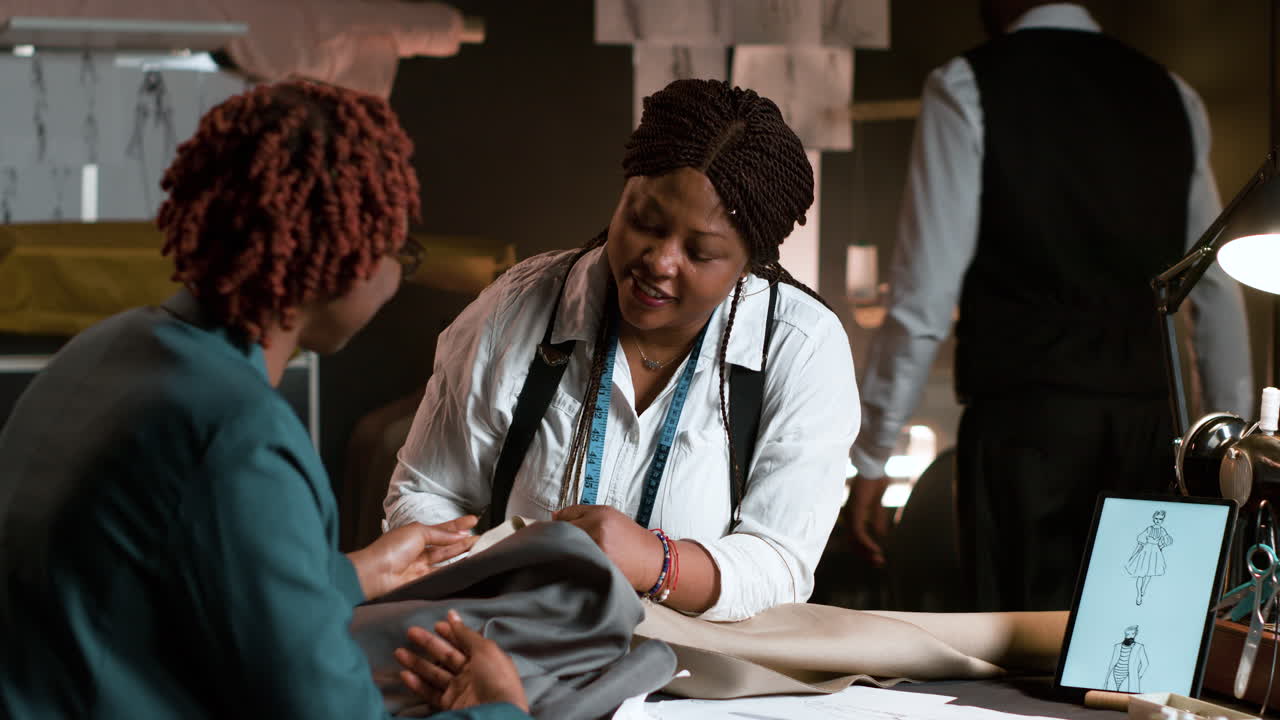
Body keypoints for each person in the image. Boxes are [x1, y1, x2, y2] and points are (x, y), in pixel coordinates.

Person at [0, 79, 528, 719]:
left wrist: (355, 573)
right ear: (348, 263)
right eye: (400, 254)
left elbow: (179, 573)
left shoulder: (107, 347)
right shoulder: (241, 434)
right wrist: (502, 709)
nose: (395, 276)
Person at [384, 79, 860, 622]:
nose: (659, 261)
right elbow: (425, 495)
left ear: (749, 263)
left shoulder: (801, 349)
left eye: (700, 253)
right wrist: (485, 585)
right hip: (518, 650)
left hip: (690, 688)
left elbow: (780, 565)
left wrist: (655, 563)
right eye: (643, 222)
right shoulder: (516, 309)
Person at [846, 0, 1253, 610]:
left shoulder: (965, 84)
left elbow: (923, 299)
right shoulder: (1172, 93)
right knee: (1130, 654)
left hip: (1025, 430)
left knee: (1018, 663)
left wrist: (873, 457)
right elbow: (1214, 284)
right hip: (1149, 430)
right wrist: (1230, 451)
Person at [1124, 510, 1172, 605]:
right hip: (1145, 552)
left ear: (1162, 520)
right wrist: (1134, 554)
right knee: (1141, 574)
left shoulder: (1162, 530)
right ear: (1153, 518)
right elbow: (1140, 542)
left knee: (1150, 572)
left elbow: (1168, 540)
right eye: (1156, 518)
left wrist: (1161, 546)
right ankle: (1138, 595)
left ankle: (1144, 588)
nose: (1158, 521)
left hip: (1155, 553)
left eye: (1160, 519)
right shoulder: (1149, 529)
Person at [1104, 625, 1149, 692]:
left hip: (1129, 678)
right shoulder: (1117, 646)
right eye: (1128, 634)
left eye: (1133, 634)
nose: (1130, 636)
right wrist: (1106, 679)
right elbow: (1112, 663)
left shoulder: (1139, 647)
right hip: (1115, 676)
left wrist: (1136, 677)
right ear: (1125, 634)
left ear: (1135, 634)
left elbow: (1145, 664)